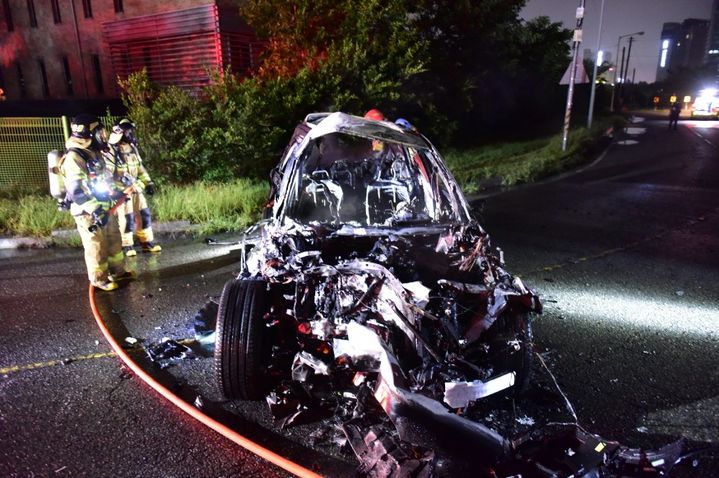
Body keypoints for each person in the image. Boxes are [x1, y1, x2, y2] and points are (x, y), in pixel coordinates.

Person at [61, 114, 135, 291]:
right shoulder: (74, 157)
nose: (102, 137)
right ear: (86, 133)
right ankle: (99, 278)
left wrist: (117, 192)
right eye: (99, 133)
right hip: (88, 213)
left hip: (105, 208)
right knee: (96, 245)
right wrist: (95, 210)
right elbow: (76, 191)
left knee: (114, 241)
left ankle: (118, 271)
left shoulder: (93, 153)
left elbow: (102, 180)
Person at [108, 119, 161, 256]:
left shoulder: (132, 148)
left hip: (136, 189)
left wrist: (148, 183)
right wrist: (115, 191)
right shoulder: (111, 150)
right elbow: (107, 175)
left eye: (130, 130)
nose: (130, 133)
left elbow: (140, 169)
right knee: (127, 218)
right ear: (119, 132)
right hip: (123, 192)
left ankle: (146, 242)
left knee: (144, 215)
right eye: (127, 130)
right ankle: (126, 245)